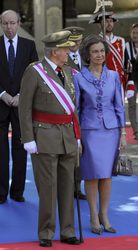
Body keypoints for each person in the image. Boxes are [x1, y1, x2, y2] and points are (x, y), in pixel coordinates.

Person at [18, 30, 80, 247]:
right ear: (55, 51)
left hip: (67, 135)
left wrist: (77, 135)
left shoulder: (69, 72)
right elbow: (24, 107)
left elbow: (72, 108)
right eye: (65, 49)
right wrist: (28, 138)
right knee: (48, 188)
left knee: (67, 185)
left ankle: (67, 230)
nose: (69, 52)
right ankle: (46, 232)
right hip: (43, 135)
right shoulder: (35, 72)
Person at [73, 34, 126, 235]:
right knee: (92, 175)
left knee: (107, 176)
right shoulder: (79, 78)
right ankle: (94, 215)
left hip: (111, 131)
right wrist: (77, 136)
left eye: (102, 51)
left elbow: (119, 106)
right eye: (95, 51)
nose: (99, 55)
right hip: (89, 131)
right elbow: (76, 109)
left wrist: (121, 133)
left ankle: (105, 215)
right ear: (87, 54)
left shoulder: (113, 76)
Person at [0, 9, 38, 205]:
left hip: (21, 105)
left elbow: (33, 75)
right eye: (5, 23)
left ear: (18, 24)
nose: (9, 27)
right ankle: (0, 192)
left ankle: (17, 190)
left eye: (12, 23)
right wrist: (3, 94)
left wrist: (20, 96)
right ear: (1, 24)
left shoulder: (29, 46)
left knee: (20, 148)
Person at [64, 26, 87, 200]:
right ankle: (67, 186)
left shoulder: (87, 58)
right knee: (69, 151)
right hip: (68, 111)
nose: (74, 44)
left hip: (86, 112)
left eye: (77, 40)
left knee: (82, 151)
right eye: (71, 40)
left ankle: (77, 186)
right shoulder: (61, 59)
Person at [89, 11, 135, 97]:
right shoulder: (95, 41)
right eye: (106, 21)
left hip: (120, 83)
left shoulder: (120, 41)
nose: (109, 24)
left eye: (111, 21)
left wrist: (130, 82)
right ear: (99, 24)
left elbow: (127, 64)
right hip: (103, 84)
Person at [125, 23, 138, 139]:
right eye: (134, 33)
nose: (135, 35)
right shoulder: (126, 46)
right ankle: (136, 130)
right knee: (132, 104)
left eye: (137, 33)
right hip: (131, 80)